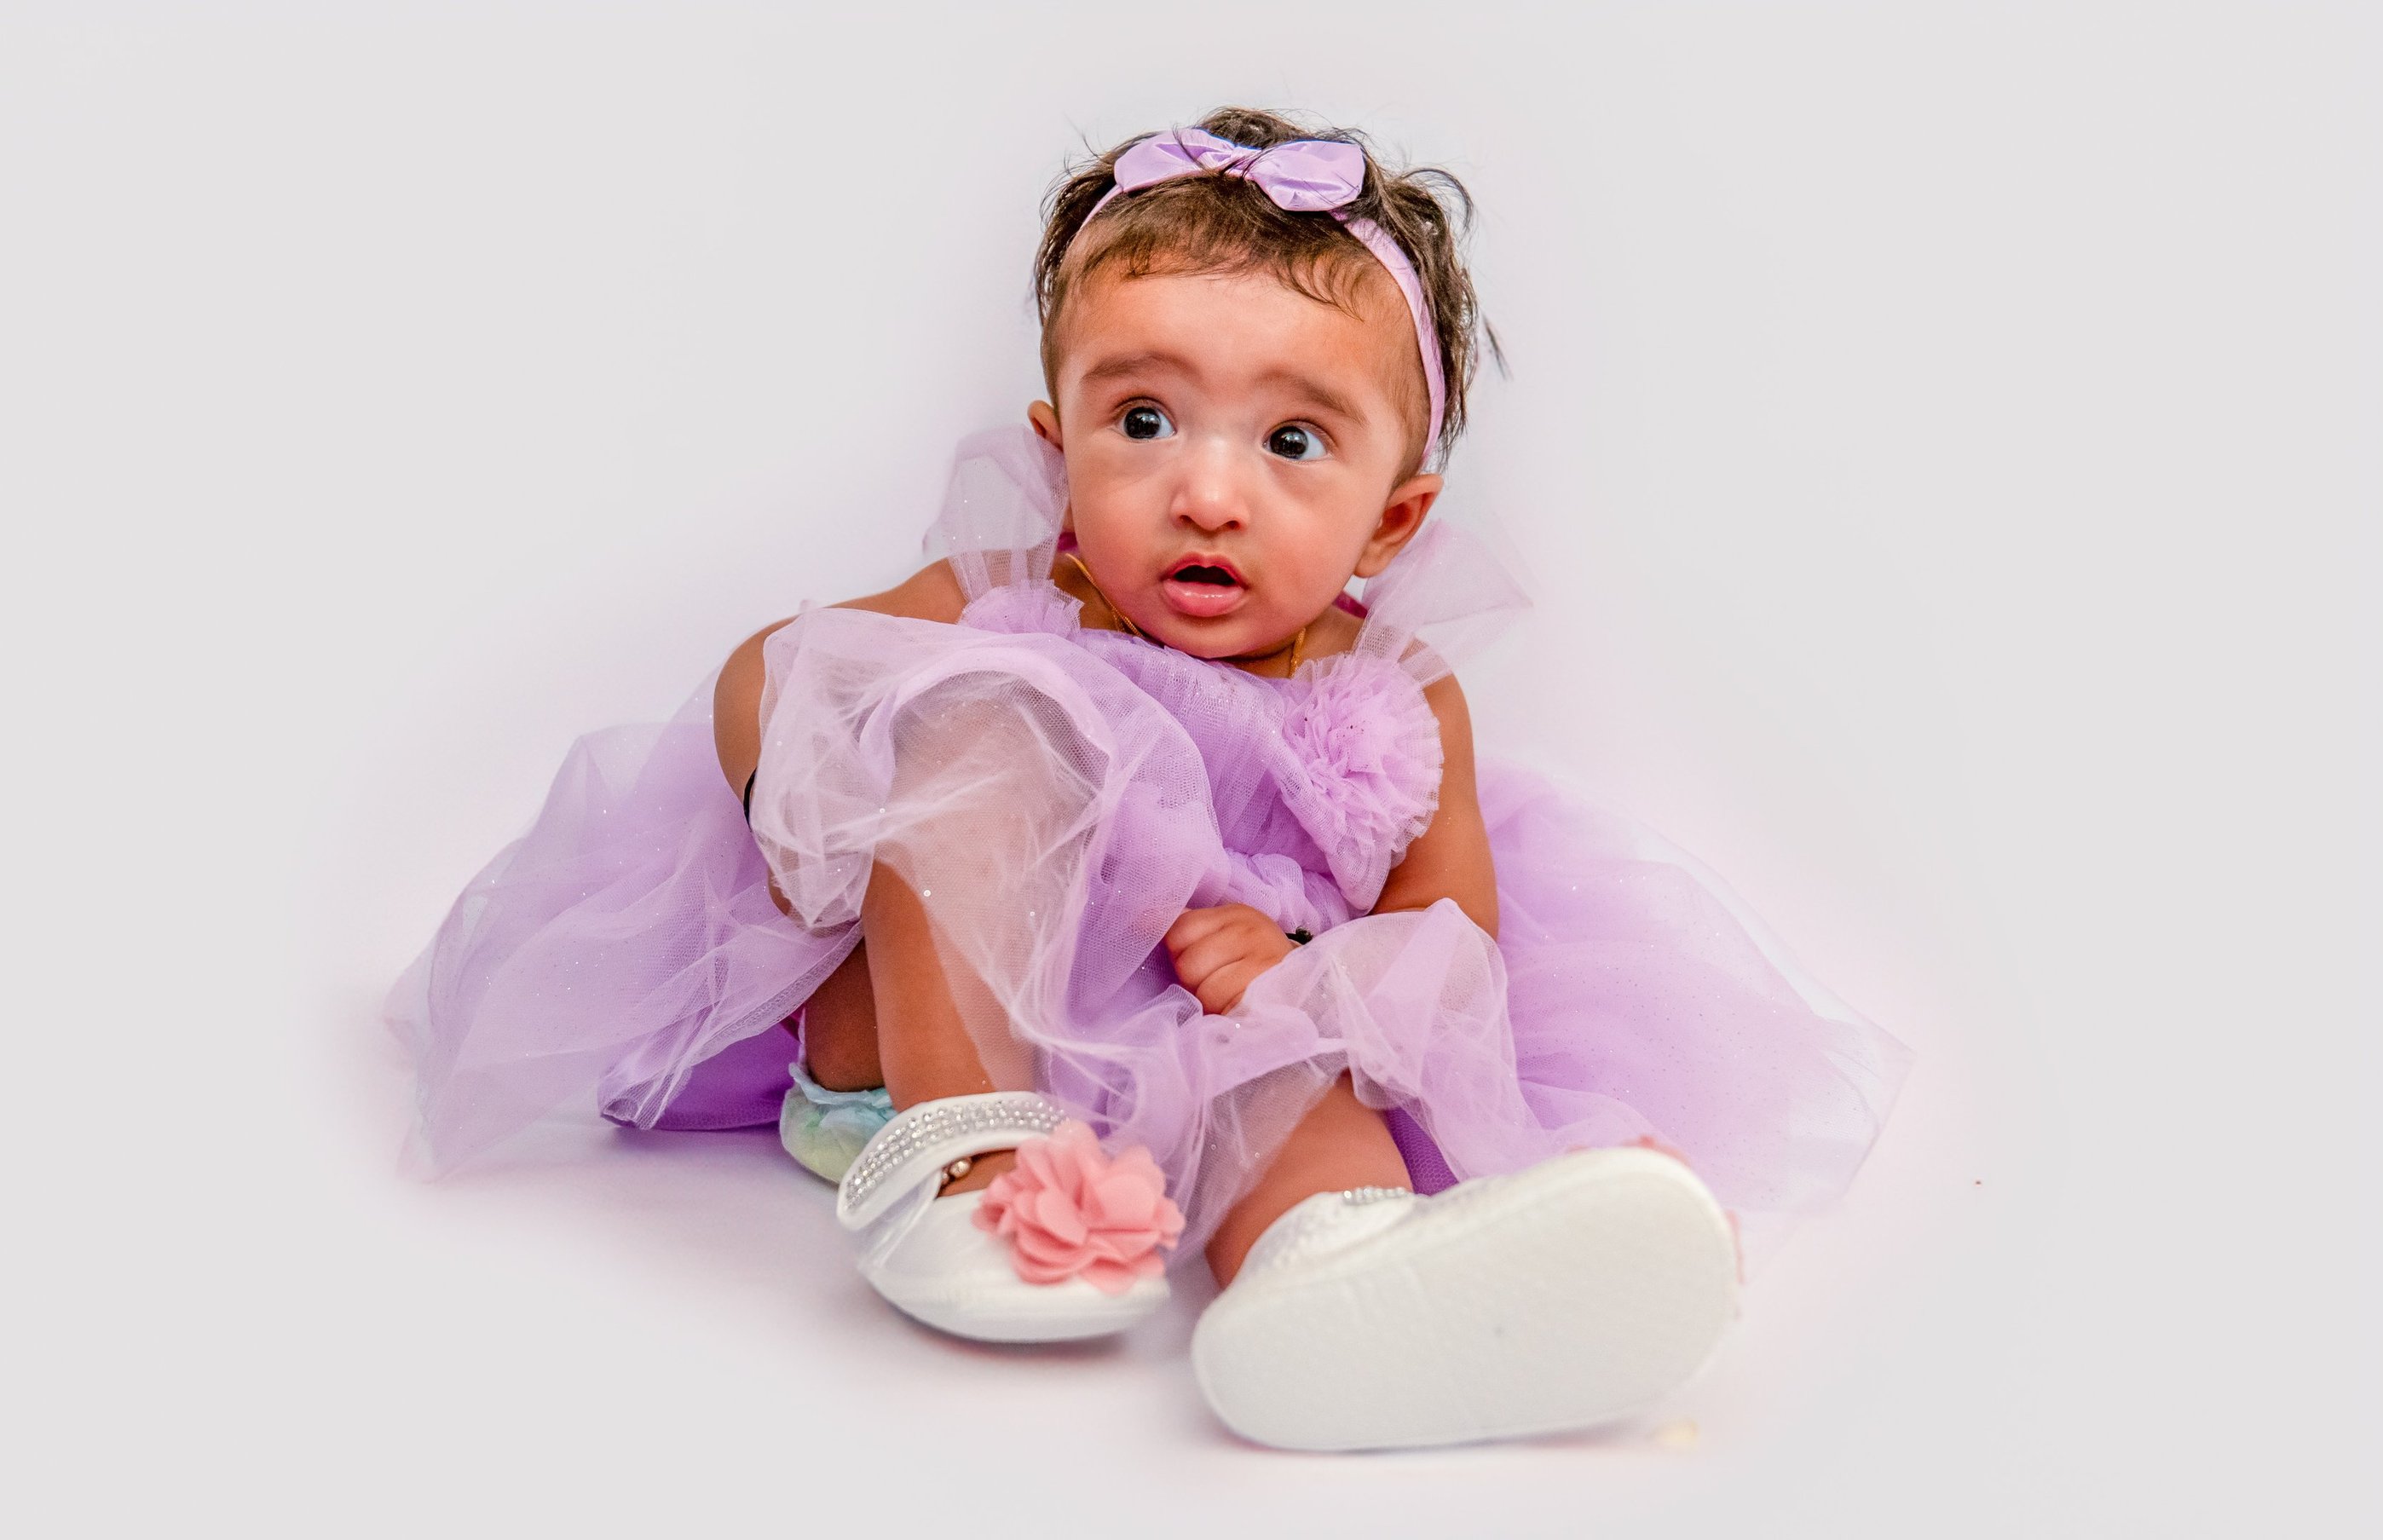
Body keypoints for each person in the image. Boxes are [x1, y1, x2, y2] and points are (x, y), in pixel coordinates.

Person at [391, 107, 1909, 1451]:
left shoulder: (1395, 697)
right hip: (927, 1033)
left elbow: (1461, 944)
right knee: (982, 718)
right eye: (1143, 420)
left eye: (1295, 440)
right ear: (1060, 452)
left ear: (1394, 519)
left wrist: (1306, 962)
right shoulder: (1012, 598)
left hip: (1180, 1059)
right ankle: (964, 1164)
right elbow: (771, 675)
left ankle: (1340, 1280)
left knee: (1292, 1073)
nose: (1205, 488)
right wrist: (812, 805)